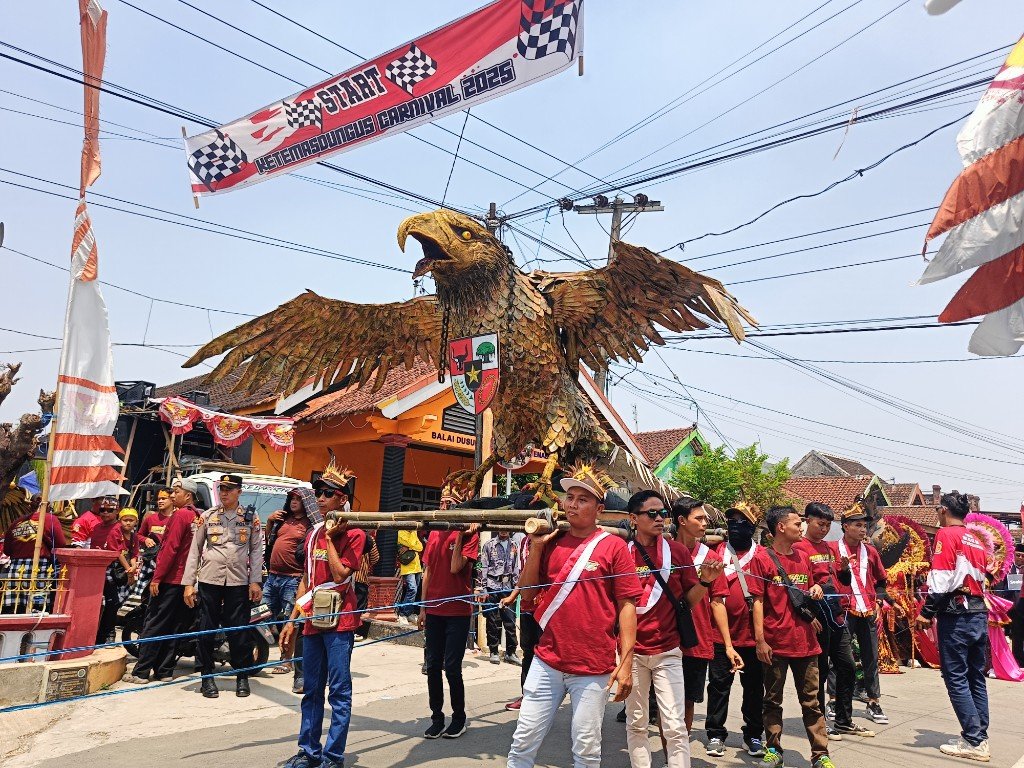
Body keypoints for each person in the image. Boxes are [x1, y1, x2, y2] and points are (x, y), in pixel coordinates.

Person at [506, 464, 642, 768]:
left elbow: (627, 605)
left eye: (583, 499)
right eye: (569, 497)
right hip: (547, 659)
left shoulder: (614, 547)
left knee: (586, 746)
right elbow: (527, 595)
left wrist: (626, 662)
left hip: (593, 666)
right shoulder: (549, 541)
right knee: (523, 739)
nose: (572, 504)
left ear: (599, 509)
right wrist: (537, 548)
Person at [626, 490, 725, 768]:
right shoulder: (622, 553)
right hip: (631, 651)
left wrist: (705, 582)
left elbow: (687, 603)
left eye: (662, 514)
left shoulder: (677, 552)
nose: (659, 519)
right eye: (651, 514)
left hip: (668, 648)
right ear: (633, 519)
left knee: (674, 723)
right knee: (636, 721)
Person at [280, 462, 365, 768]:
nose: (320, 497)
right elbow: (307, 579)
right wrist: (292, 619)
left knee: (339, 691)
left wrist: (331, 538)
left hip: (341, 620)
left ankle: (333, 756)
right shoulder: (313, 532)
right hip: (313, 619)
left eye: (328, 493)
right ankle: (308, 752)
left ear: (343, 499)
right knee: (311, 689)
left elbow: (342, 575)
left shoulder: (355, 532)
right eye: (318, 492)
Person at [750, 505, 834, 768]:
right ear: (781, 527)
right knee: (772, 700)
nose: (802, 527)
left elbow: (809, 589)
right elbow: (758, 602)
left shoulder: (803, 556)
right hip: (775, 643)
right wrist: (760, 641)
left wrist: (817, 587)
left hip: (807, 643)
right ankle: (773, 749)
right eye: (798, 523)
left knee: (812, 702)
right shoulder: (762, 558)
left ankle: (821, 755)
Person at [916, 491, 991, 762]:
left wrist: (926, 612)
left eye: (938, 508)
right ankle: (978, 735)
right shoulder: (976, 539)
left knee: (956, 677)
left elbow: (942, 579)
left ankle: (973, 740)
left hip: (957, 613)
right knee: (974, 676)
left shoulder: (946, 535)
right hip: (978, 612)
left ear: (944, 510)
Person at [183, 473, 264, 698]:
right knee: (206, 630)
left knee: (239, 631)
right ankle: (207, 677)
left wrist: (255, 580)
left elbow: (256, 550)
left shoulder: (250, 518)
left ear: (239, 491)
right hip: (210, 580)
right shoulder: (208, 516)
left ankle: (242, 676)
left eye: (229, 489)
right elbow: (194, 550)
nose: (224, 493)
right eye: (222, 489)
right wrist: (189, 583)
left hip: (238, 582)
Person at [795, 503, 871, 740]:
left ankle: (844, 720)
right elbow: (797, 587)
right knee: (819, 671)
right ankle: (820, 724)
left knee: (847, 667)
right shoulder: (799, 548)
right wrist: (808, 616)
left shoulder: (829, 549)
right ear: (808, 521)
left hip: (836, 616)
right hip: (816, 616)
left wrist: (845, 570)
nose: (824, 529)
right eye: (820, 524)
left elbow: (841, 582)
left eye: (828, 525)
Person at [419, 482, 480, 740]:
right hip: (433, 608)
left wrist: (460, 534)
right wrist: (422, 607)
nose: (443, 507)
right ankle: (436, 717)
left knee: (452, 667)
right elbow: (428, 571)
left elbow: (456, 568)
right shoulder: (433, 533)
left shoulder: (470, 535)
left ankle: (459, 718)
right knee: (432, 665)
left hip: (457, 610)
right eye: (442, 503)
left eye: (449, 504)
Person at [125, 477, 200, 684]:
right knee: (174, 626)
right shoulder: (197, 516)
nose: (173, 495)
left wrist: (157, 577)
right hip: (186, 580)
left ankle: (141, 672)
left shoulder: (181, 516)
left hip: (170, 578)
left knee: (154, 624)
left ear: (188, 495)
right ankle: (164, 671)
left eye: (177, 492)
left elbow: (170, 549)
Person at [706, 502, 766, 758]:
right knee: (719, 686)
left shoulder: (763, 556)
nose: (735, 527)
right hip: (721, 635)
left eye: (741, 522)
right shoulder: (716, 553)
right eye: (731, 522)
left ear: (752, 528)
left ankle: (753, 734)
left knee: (754, 687)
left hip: (753, 638)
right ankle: (716, 734)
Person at [672, 497, 732, 744]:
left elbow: (717, 602)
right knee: (654, 700)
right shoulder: (661, 551)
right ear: (681, 521)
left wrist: (728, 645)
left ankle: (678, 753)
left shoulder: (710, 557)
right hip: (662, 636)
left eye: (706, 518)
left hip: (695, 638)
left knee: (686, 699)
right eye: (699, 518)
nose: (705, 522)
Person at [835, 501, 890, 725]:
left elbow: (881, 581)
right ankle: (833, 700)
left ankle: (873, 702)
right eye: (857, 525)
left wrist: (878, 601)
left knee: (871, 658)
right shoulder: (833, 550)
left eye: (865, 525)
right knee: (838, 660)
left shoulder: (871, 552)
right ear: (845, 526)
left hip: (867, 610)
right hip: (844, 612)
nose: (863, 529)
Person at [265, 488, 315, 689]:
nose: (294, 502)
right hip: (273, 576)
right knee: (263, 614)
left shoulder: (309, 524)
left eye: (298, 499)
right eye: (291, 499)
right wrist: (269, 521)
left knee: (290, 620)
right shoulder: (282, 519)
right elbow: (269, 541)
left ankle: (286, 660)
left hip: (293, 578)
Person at [1, 493, 66, 613]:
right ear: (48, 505)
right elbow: (61, 543)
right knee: (37, 606)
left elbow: (7, 550)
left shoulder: (16, 523)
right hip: (38, 566)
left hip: (16, 568)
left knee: (15, 606)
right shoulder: (50, 518)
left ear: (30, 505)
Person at [476, 529, 521, 665]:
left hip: (508, 587)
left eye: (507, 528)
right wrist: (482, 588)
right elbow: (482, 566)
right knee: (492, 620)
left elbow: (516, 568)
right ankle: (494, 651)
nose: (504, 531)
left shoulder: (514, 545)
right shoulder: (489, 545)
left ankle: (511, 652)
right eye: (501, 528)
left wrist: (517, 588)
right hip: (492, 586)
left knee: (510, 620)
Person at [96, 508, 140, 644]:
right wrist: (129, 568)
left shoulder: (134, 535)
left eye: (131, 520)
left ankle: (106, 632)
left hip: (124, 572)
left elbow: (134, 553)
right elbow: (117, 552)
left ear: (136, 522)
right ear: (120, 521)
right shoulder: (115, 532)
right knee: (112, 602)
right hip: (111, 570)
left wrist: (133, 568)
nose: (128, 523)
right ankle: (108, 633)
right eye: (125, 520)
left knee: (117, 604)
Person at [353, 531, 380, 640]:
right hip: (360, 577)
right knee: (358, 606)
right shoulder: (368, 538)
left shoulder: (348, 535)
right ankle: (353, 630)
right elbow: (375, 558)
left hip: (345, 577)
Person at [395, 526, 424, 626]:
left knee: (414, 591)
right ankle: (403, 613)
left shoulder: (414, 532)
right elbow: (414, 544)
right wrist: (412, 545)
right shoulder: (401, 532)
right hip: (407, 567)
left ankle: (409, 613)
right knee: (412, 589)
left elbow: (420, 547)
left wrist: (409, 547)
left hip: (417, 566)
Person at [1010, 544, 1024, 667]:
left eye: (1023, 556)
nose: (1020, 558)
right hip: (1013, 608)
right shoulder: (1008, 569)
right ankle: (1017, 661)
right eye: (1018, 555)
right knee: (1017, 635)